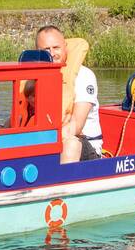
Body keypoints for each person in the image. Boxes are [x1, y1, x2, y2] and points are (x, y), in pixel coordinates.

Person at [35, 24, 103, 163]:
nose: (52, 53)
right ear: (37, 52)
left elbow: (76, 126)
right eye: (46, 49)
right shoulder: (33, 78)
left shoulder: (84, 76)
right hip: (47, 142)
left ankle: (60, 184)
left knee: (70, 144)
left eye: (56, 47)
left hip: (83, 144)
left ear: (65, 47)